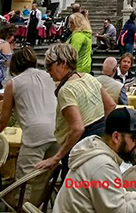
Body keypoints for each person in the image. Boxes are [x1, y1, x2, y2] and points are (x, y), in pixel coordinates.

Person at [51, 107, 136, 213]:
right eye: (134, 137)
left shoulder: (99, 153)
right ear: (116, 137)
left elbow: (119, 197)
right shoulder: (102, 166)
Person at [38, 43, 116, 175]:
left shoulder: (67, 90)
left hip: (79, 149)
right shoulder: (89, 77)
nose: (48, 71)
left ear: (62, 63)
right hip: (98, 143)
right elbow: (111, 105)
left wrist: (56, 157)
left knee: (72, 188)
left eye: (49, 66)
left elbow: (78, 128)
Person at [0, 46, 57, 204]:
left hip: (35, 135)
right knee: (45, 179)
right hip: (57, 132)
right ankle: (40, 206)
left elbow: (4, 119)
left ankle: (22, 208)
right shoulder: (49, 76)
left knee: (23, 184)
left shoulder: (13, 83)